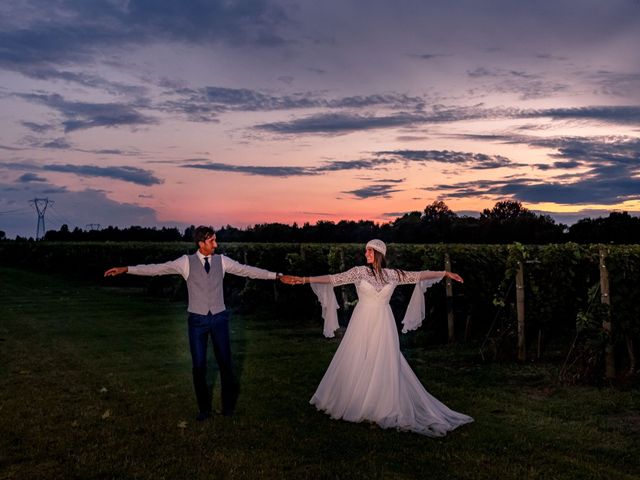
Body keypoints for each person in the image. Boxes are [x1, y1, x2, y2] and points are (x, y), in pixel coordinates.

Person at [285, 239, 473, 436]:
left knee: (382, 360)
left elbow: (419, 275)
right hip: (362, 321)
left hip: (383, 322)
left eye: (369, 251)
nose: (365, 254)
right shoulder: (359, 272)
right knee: (359, 357)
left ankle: (380, 405)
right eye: (365, 251)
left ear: (379, 253)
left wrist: (444, 273)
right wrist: (304, 279)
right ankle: (356, 401)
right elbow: (333, 278)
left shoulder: (393, 275)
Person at [104, 225, 292, 421]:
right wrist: (126, 269)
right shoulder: (185, 262)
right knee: (199, 366)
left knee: (226, 365)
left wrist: (277, 275)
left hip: (219, 319)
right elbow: (157, 269)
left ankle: (228, 409)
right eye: (212, 241)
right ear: (201, 243)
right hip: (197, 322)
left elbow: (247, 271)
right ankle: (204, 410)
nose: (216, 244)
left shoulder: (222, 261)